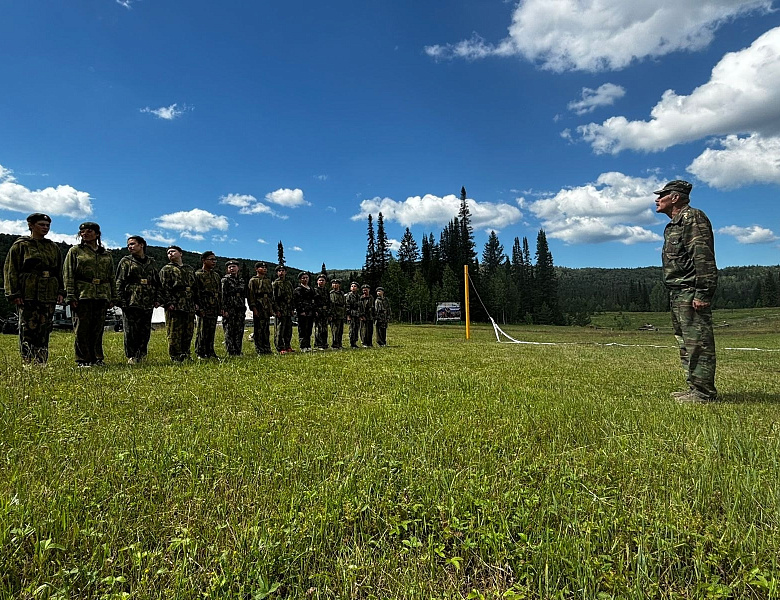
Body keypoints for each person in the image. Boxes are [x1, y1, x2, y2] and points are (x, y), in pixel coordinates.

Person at [655, 180, 718, 403]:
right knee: (685, 343)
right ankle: (694, 388)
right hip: (678, 293)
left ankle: (704, 393)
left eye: (662, 195)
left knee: (698, 343)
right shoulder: (674, 224)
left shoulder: (693, 218)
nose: (657, 199)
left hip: (691, 291)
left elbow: (702, 257)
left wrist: (703, 292)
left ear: (675, 197)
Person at [2, 213, 64, 365]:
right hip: (28, 292)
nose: (45, 228)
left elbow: (59, 271)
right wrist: (14, 293)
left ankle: (41, 361)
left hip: (48, 292)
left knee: (45, 328)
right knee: (28, 328)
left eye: (47, 225)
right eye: (41, 225)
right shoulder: (21, 245)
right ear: (31, 225)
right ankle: (28, 360)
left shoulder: (52, 247)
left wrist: (61, 292)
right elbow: (11, 270)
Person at [63, 222, 118, 367]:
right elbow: (68, 274)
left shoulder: (105, 254)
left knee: (97, 328)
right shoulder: (75, 251)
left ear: (97, 234)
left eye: (89, 231)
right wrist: (70, 295)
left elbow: (112, 276)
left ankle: (97, 358)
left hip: (102, 295)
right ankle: (83, 359)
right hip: (82, 293)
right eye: (82, 232)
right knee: (82, 328)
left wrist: (113, 296)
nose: (85, 234)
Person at [115, 235, 160, 364]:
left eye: (133, 244)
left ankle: (142, 354)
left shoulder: (151, 262)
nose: (130, 247)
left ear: (141, 245)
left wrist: (158, 298)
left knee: (145, 330)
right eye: (128, 245)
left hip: (147, 300)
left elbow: (157, 282)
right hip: (131, 300)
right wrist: (121, 300)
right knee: (130, 330)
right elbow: (119, 281)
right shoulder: (125, 261)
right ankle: (132, 356)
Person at [159, 245, 197, 362]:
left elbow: (195, 287)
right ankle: (175, 356)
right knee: (174, 332)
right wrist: (168, 302)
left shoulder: (189, 269)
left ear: (181, 253)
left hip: (189, 304)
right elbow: (163, 288)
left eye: (173, 251)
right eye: (168, 252)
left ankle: (186, 354)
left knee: (188, 331)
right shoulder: (166, 269)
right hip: (174, 304)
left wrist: (196, 302)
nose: (170, 254)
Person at [193, 251, 223, 359]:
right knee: (202, 330)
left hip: (214, 306)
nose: (214, 262)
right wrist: (198, 307)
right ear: (204, 260)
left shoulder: (216, 276)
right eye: (211, 259)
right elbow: (196, 292)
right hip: (204, 306)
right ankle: (200, 352)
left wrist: (220, 307)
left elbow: (220, 293)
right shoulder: (197, 275)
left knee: (211, 330)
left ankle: (210, 351)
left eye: (215, 260)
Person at [247, 261, 274, 355]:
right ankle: (259, 349)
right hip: (258, 305)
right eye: (262, 267)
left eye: (265, 268)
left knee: (266, 329)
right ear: (257, 269)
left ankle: (267, 348)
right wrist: (253, 308)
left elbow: (271, 295)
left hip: (267, 306)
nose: (264, 269)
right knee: (258, 329)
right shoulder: (253, 280)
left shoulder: (268, 280)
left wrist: (271, 309)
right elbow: (251, 295)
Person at [221, 260, 247, 357]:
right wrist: (224, 308)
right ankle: (231, 351)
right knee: (229, 330)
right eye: (229, 267)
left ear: (238, 268)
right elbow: (223, 295)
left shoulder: (241, 280)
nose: (232, 268)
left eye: (234, 266)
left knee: (239, 330)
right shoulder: (225, 280)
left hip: (239, 308)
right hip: (230, 307)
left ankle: (238, 350)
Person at [272, 264, 295, 354]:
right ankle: (280, 347)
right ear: (277, 273)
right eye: (279, 271)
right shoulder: (275, 283)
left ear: (286, 272)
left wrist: (292, 309)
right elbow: (274, 298)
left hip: (288, 310)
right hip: (280, 310)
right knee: (279, 329)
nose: (281, 273)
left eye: (283, 271)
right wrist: (276, 310)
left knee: (288, 329)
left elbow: (292, 296)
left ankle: (287, 346)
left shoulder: (288, 283)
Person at [293, 272, 315, 351]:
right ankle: (303, 346)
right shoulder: (298, 289)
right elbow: (297, 301)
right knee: (302, 329)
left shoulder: (311, 289)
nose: (305, 279)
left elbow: (313, 300)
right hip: (302, 312)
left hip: (310, 312)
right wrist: (301, 310)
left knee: (309, 329)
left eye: (306, 278)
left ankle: (308, 345)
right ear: (300, 279)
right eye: (303, 278)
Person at [313, 273, 331, 350]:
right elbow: (313, 301)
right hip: (318, 311)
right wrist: (315, 311)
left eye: (323, 280)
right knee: (318, 328)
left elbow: (329, 302)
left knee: (325, 329)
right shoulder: (314, 290)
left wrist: (329, 312)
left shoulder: (326, 291)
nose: (321, 282)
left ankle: (324, 343)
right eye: (320, 280)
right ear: (317, 281)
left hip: (325, 311)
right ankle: (318, 344)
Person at [329, 278, 346, 350]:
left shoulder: (342, 293)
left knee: (340, 330)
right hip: (334, 313)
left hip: (341, 313)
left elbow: (344, 303)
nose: (335, 285)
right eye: (333, 284)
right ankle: (335, 344)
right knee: (335, 330)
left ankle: (339, 343)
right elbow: (330, 304)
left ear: (339, 285)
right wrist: (331, 314)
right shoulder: (331, 293)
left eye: (336, 284)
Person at [345, 281, 361, 349]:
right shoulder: (348, 295)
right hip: (351, 314)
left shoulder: (358, 296)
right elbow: (347, 306)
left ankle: (355, 342)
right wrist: (348, 315)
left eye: (355, 286)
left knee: (356, 328)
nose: (353, 287)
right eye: (352, 286)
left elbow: (360, 306)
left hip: (357, 314)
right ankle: (352, 343)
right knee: (352, 329)